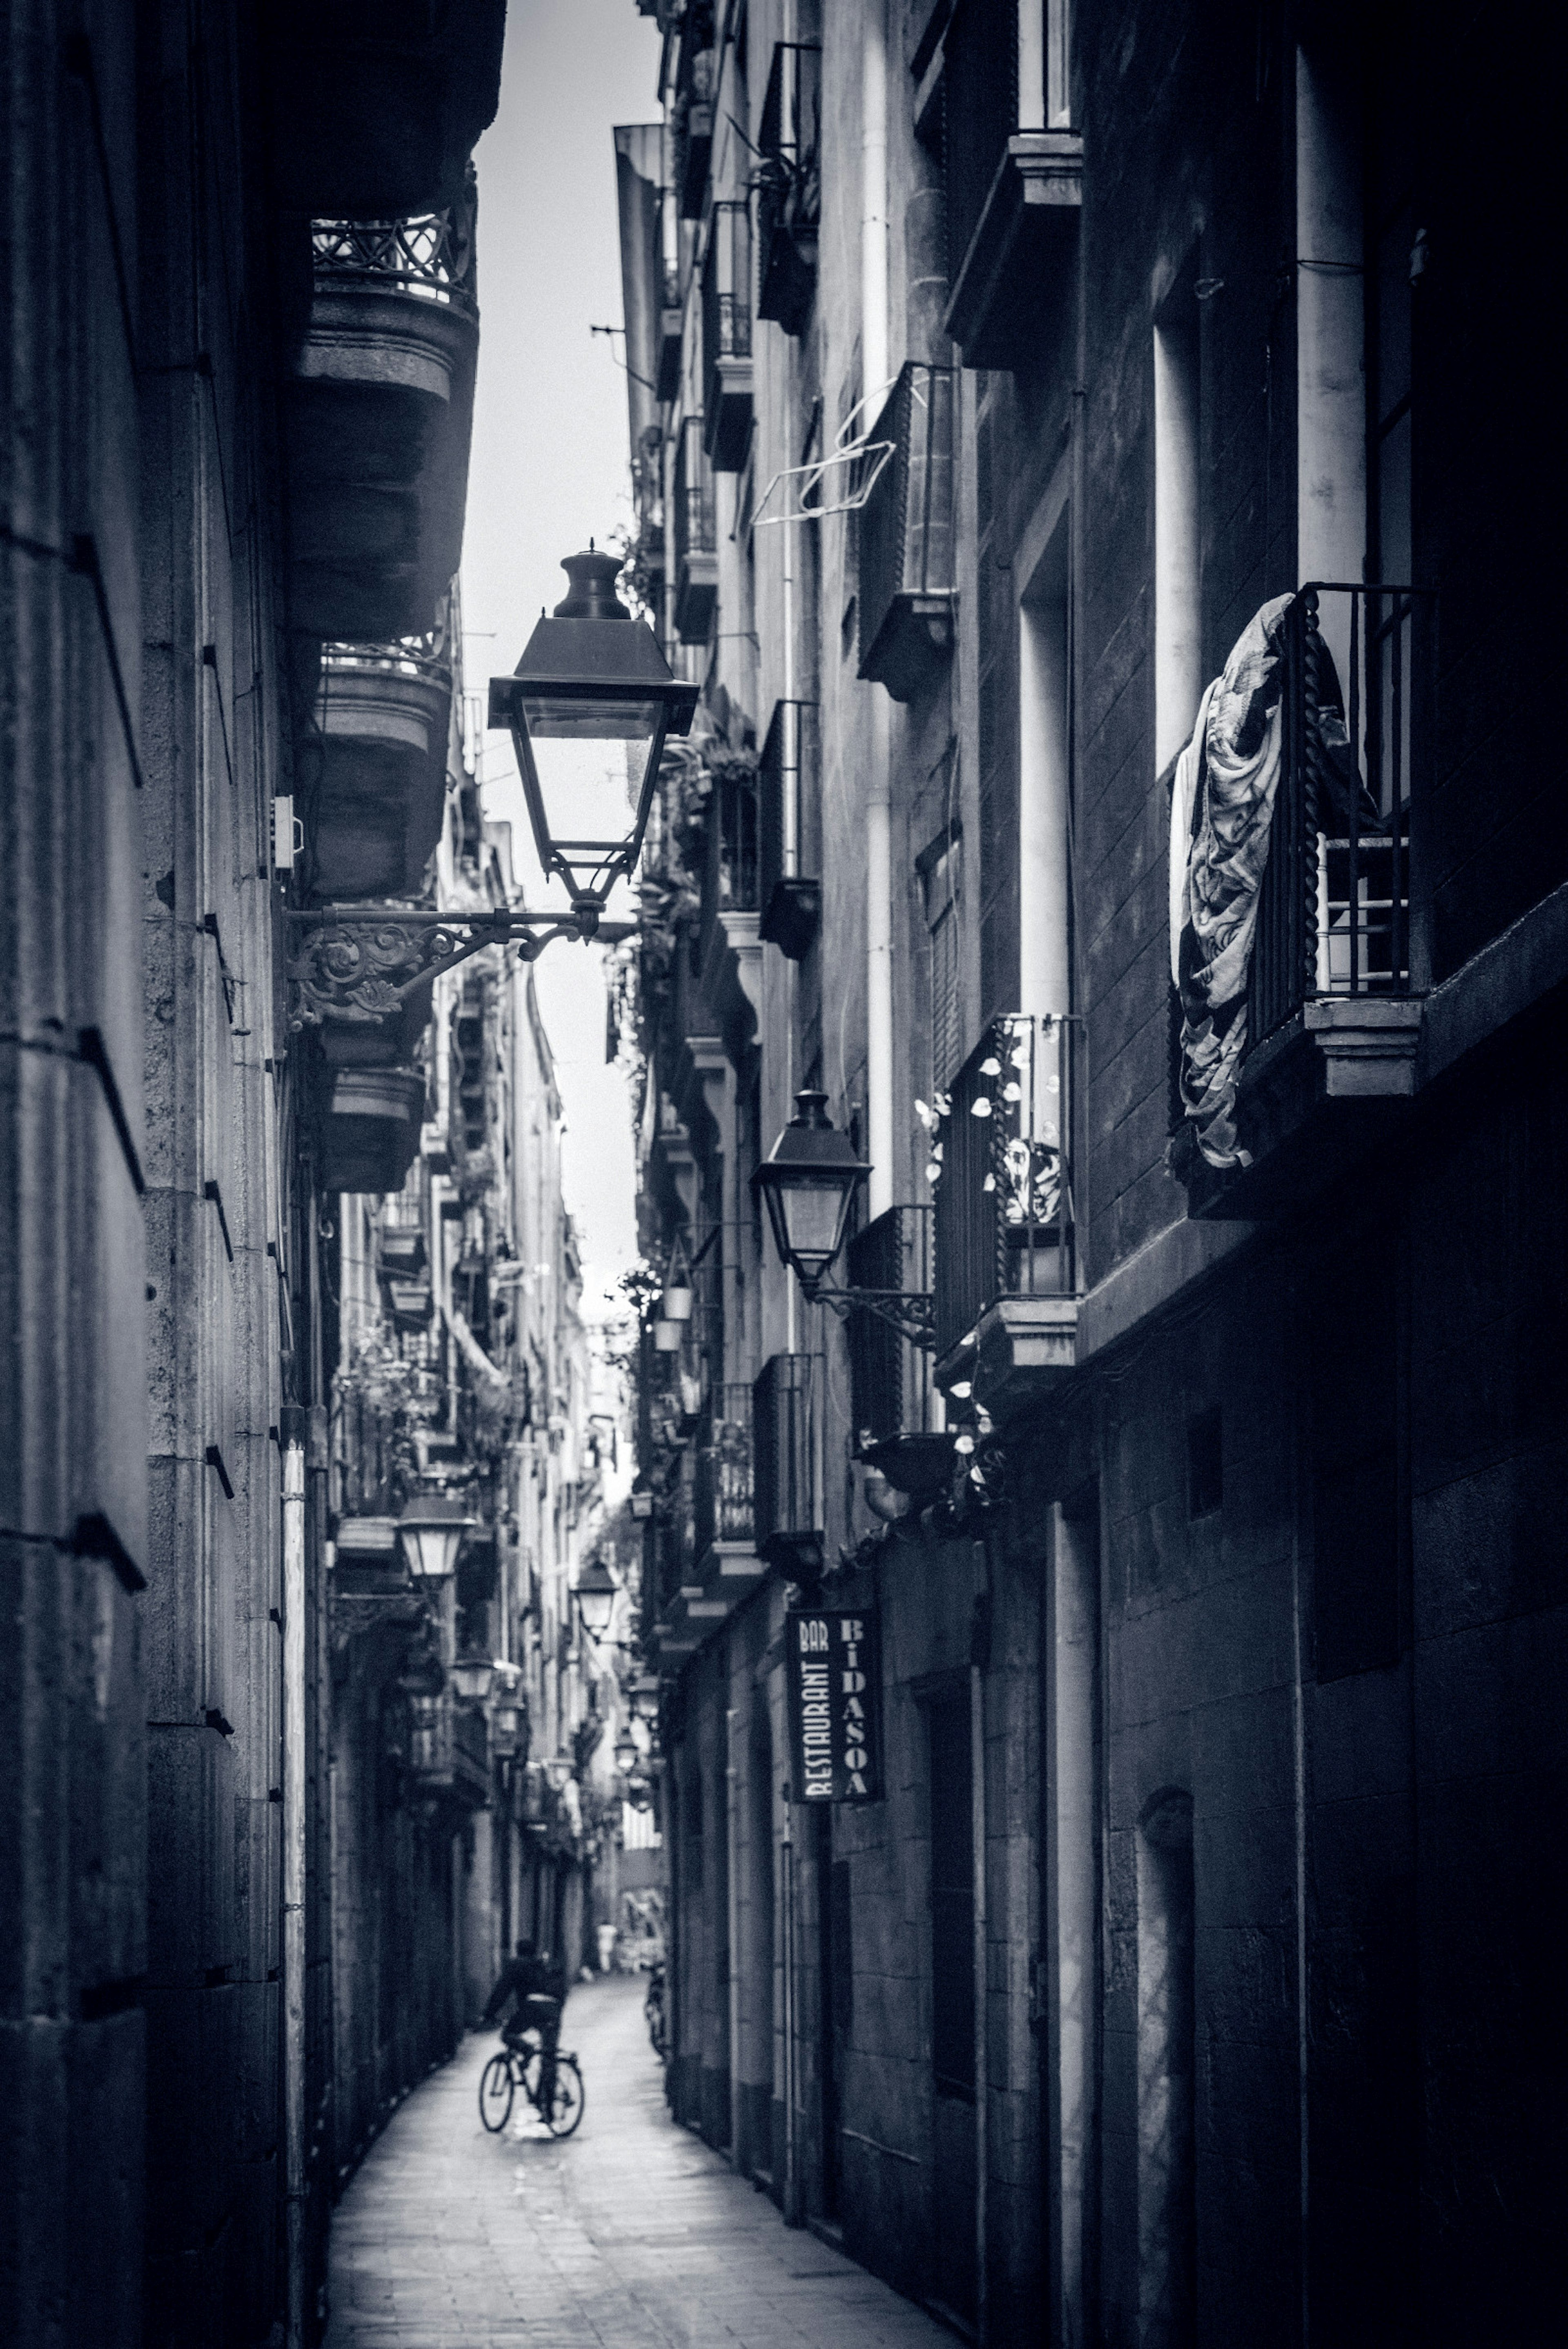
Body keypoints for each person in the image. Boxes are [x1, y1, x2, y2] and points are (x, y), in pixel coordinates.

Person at [482, 1938, 564, 2114]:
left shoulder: (516, 1965)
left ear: (518, 1951)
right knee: (548, 2056)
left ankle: (525, 2050)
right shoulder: (542, 1965)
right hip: (553, 2010)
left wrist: (489, 2014)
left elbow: (502, 1990)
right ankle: (547, 2108)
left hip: (532, 2008)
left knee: (508, 2035)